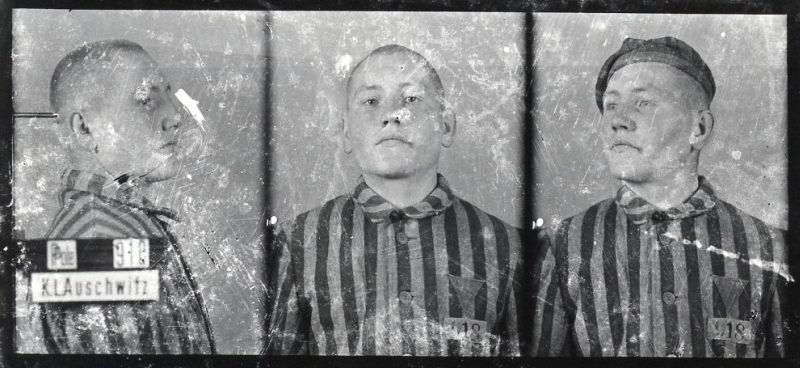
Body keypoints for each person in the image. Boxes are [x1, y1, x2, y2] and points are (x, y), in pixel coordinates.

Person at [530, 36, 789, 358]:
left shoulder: (769, 247)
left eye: (644, 103)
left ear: (700, 128)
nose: (617, 121)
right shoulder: (563, 245)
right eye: (611, 105)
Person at [265, 44, 524, 356]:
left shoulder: (507, 247)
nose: (391, 115)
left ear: (446, 125)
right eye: (371, 101)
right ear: (346, 132)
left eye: (411, 99)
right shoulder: (297, 244)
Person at [15, 40, 215, 354]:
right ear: (84, 130)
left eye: (166, 93)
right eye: (144, 99)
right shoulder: (99, 235)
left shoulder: (115, 222)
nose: (174, 115)